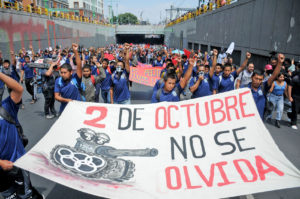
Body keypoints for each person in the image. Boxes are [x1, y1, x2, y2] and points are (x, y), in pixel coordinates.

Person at [0, 72, 43, 199]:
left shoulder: (6, 107)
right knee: (9, 195)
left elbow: (19, 89)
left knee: (25, 194)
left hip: (17, 163)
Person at [248, 53, 285, 120]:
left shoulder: (263, 87)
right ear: (251, 78)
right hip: (247, 119)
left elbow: (274, 76)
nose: (258, 81)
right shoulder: (244, 88)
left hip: (259, 120)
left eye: (260, 79)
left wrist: (279, 63)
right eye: (256, 78)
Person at [54, 43, 82, 114]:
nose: (62, 74)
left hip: (77, 108)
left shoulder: (76, 78)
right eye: (61, 72)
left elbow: (79, 64)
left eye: (65, 72)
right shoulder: (58, 81)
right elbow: (56, 96)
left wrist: (75, 51)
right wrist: (67, 100)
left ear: (71, 72)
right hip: (64, 109)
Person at [288, 62, 300, 130]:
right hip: (295, 95)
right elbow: (290, 87)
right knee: (295, 109)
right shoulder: (296, 78)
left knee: (297, 110)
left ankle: (290, 114)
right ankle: (293, 123)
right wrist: (290, 97)